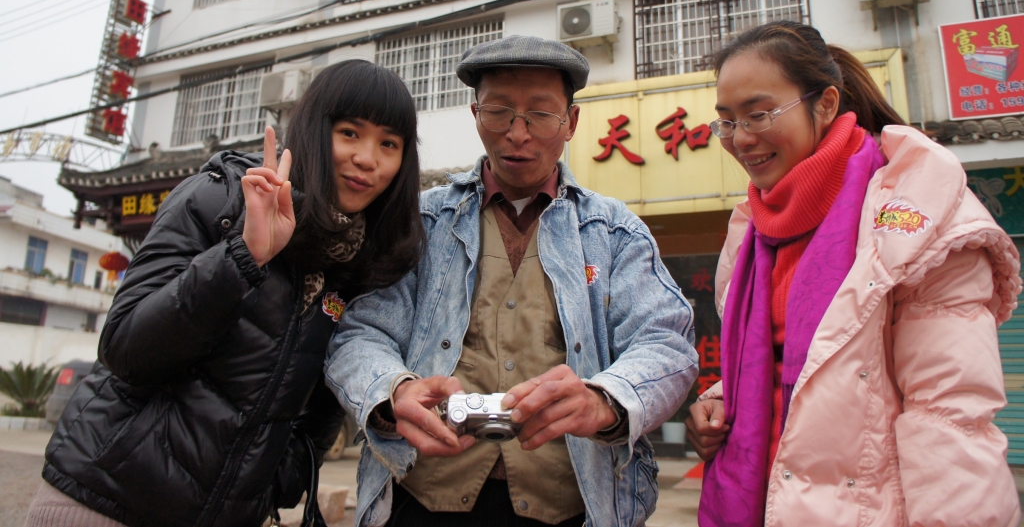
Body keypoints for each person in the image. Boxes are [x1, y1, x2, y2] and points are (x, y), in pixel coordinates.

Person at [27, 61, 425, 527]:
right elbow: (125, 347)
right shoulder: (219, 201)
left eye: (389, 144)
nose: (367, 159)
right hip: (105, 502)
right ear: (316, 132)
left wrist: (278, 482)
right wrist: (242, 257)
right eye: (350, 133)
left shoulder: (355, 263)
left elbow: (322, 404)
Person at [324, 35, 697, 527]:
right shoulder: (421, 220)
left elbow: (666, 341)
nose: (518, 134)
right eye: (500, 111)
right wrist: (392, 390)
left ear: (571, 123)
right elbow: (361, 332)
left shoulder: (614, 232)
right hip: (421, 500)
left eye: (541, 114)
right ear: (475, 113)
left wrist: (605, 399)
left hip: (570, 506)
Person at [685, 21, 1021, 526]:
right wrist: (722, 399)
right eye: (727, 121)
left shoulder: (916, 220)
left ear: (824, 104)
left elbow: (949, 419)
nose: (741, 139)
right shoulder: (753, 232)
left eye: (759, 114)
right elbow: (796, 370)